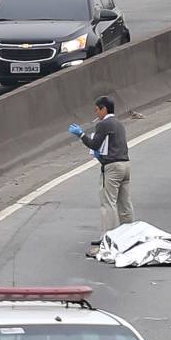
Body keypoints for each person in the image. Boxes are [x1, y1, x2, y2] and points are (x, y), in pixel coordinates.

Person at [69, 96, 133, 246]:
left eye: (97, 110)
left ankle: (108, 237)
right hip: (125, 165)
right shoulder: (119, 124)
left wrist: (81, 135)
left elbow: (95, 145)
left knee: (108, 202)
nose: (96, 113)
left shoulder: (104, 124)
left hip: (112, 167)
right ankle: (130, 234)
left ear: (104, 109)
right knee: (124, 203)